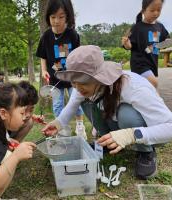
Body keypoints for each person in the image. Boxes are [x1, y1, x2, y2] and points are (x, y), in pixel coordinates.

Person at [42, 45, 172, 180]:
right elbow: (72, 105)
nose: (78, 87)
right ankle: (107, 143)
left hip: (146, 131)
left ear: (100, 77)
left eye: (83, 81)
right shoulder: (81, 86)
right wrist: (58, 123)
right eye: (74, 82)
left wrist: (130, 135)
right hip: (118, 124)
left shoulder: (134, 87)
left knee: (126, 113)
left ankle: (145, 152)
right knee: (86, 102)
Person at [36, 0, 86, 138]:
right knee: (57, 104)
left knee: (76, 101)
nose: (56, 21)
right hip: (55, 78)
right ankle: (60, 127)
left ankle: (80, 126)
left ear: (67, 17)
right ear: (48, 18)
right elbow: (42, 56)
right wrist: (44, 70)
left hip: (72, 78)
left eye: (61, 17)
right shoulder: (46, 36)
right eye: (53, 17)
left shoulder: (73, 35)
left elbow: (77, 56)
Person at [121, 0, 170, 88]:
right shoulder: (137, 28)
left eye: (158, 10)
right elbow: (129, 46)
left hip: (152, 63)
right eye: (152, 10)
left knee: (149, 89)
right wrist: (127, 44)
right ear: (143, 11)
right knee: (153, 83)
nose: (155, 13)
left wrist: (159, 45)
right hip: (139, 64)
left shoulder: (160, 27)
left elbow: (165, 42)